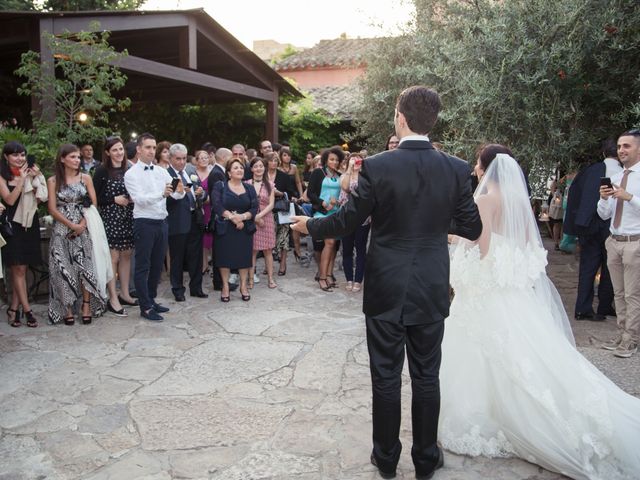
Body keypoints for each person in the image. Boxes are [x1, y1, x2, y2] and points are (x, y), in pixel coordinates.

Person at [291, 86, 482, 480]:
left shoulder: (377, 166)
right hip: (431, 283)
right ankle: (427, 460)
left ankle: (387, 459)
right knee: (427, 376)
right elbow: (473, 227)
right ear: (432, 121)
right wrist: (431, 225)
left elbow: (347, 221)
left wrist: (309, 223)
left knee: (386, 375)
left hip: (386, 285)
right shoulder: (457, 168)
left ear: (400, 117)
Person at [440, 147, 640, 480]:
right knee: (524, 348)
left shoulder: (486, 198)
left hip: (487, 288)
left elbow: (484, 247)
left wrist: (453, 237)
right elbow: (516, 244)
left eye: (478, 163)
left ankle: (494, 414)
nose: (475, 168)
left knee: (488, 350)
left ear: (487, 168)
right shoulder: (517, 200)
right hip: (509, 289)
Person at [124, 133, 185, 322]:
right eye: (148, 147)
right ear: (139, 149)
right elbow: (139, 200)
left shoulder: (160, 171)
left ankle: (151, 299)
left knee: (158, 265)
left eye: (153, 147)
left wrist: (180, 191)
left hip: (162, 222)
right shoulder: (131, 174)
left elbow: (174, 193)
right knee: (143, 266)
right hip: (144, 223)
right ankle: (145, 306)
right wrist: (162, 194)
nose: (152, 151)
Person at [47, 144, 105, 325]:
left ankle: (86, 305)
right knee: (62, 268)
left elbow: (94, 203)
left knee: (85, 267)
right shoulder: (53, 181)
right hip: (62, 229)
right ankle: (67, 308)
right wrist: (70, 224)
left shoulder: (85, 178)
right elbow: (52, 208)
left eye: (78, 157)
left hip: (84, 226)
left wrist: (81, 224)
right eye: (73, 157)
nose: (77, 160)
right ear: (62, 159)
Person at [563, 138, 619, 321]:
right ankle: (604, 305)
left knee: (588, 268)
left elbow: (574, 196)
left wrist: (576, 224)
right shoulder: (624, 172)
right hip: (613, 225)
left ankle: (583, 308)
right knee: (610, 267)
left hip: (588, 225)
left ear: (602, 153)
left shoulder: (588, 171)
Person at [598, 128, 640, 358]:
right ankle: (622, 333)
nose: (621, 150)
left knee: (633, 294)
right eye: (620, 146)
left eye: (627, 146)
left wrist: (630, 198)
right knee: (619, 293)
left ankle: (631, 340)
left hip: (635, 242)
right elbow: (604, 214)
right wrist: (604, 199)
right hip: (614, 241)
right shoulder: (615, 178)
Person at [0, 141, 47, 328]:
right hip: (12, 225)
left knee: (24, 268)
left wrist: (35, 180)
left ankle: (13, 308)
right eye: (15, 155)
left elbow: (41, 199)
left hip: (30, 223)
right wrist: (21, 181)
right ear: (6, 157)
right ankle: (27, 310)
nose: (19, 158)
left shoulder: (31, 173)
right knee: (17, 268)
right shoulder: (2, 177)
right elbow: (10, 200)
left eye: (22, 154)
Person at [93, 136, 137, 317]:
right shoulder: (102, 171)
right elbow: (94, 198)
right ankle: (112, 298)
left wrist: (133, 197)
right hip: (110, 218)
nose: (119, 153)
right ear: (107, 153)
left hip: (128, 217)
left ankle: (125, 293)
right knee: (113, 257)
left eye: (121, 149)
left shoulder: (130, 169)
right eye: (115, 150)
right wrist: (113, 200)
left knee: (127, 255)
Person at [211, 158, 258, 302]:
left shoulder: (249, 188)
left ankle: (243, 286)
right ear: (229, 173)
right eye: (236, 168)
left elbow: (254, 208)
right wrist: (233, 218)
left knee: (243, 258)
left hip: (244, 229)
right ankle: (225, 286)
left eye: (241, 168)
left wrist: (242, 217)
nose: (239, 170)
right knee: (224, 258)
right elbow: (217, 205)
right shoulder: (220, 186)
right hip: (225, 228)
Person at [166, 143, 208, 301]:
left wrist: (200, 193)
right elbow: (167, 200)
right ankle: (178, 289)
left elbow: (199, 193)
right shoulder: (167, 174)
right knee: (178, 257)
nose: (182, 162)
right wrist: (180, 191)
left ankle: (196, 288)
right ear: (170, 158)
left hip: (194, 218)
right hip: (177, 220)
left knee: (196, 256)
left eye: (184, 158)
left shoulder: (189, 171)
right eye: (178, 159)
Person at [306, 146, 344, 291]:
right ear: (326, 160)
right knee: (329, 242)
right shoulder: (318, 172)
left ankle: (329, 274)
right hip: (321, 213)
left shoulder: (340, 176)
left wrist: (339, 201)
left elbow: (343, 194)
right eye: (331, 159)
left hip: (337, 213)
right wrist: (323, 203)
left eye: (337, 160)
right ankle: (322, 277)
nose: (334, 162)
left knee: (334, 245)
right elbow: (310, 193)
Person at [339, 152, 370, 293]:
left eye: (358, 159)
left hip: (363, 218)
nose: (356, 160)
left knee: (361, 249)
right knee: (347, 249)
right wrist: (350, 170)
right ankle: (349, 279)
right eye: (353, 158)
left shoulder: (366, 178)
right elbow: (345, 188)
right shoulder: (344, 176)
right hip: (346, 218)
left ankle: (358, 280)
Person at [248, 156, 277, 289]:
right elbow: (245, 204)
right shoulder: (247, 184)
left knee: (268, 250)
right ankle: (250, 279)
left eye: (261, 166)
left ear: (264, 168)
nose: (258, 168)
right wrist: (255, 217)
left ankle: (270, 278)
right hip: (252, 219)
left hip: (267, 219)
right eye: (256, 166)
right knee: (252, 251)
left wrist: (260, 216)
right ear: (251, 169)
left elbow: (271, 204)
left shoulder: (270, 184)